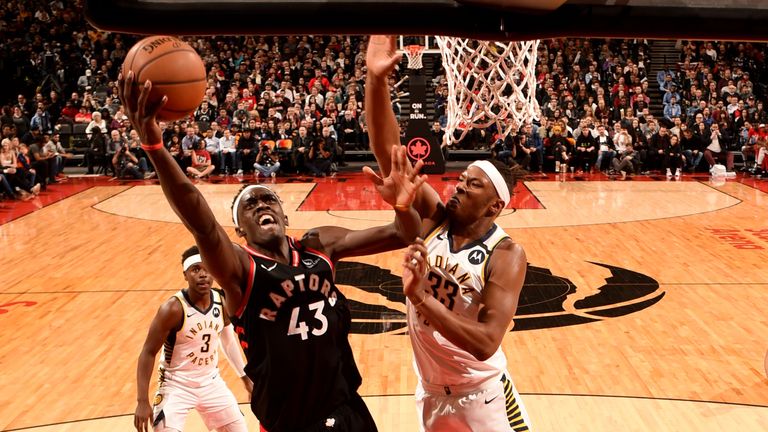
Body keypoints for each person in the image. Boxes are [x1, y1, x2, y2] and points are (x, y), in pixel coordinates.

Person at [120, 71, 427, 432]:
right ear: (239, 230)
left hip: (346, 410)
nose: (261, 205)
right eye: (249, 206)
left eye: (268, 199)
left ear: (283, 213)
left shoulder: (319, 245)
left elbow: (403, 234)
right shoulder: (240, 268)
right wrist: (155, 148)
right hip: (290, 421)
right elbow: (198, 217)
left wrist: (405, 208)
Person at [366, 35, 532, 432]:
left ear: (495, 206)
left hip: (485, 397)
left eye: (473, 185)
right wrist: (376, 82)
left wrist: (421, 297)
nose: (459, 186)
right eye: (461, 179)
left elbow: (486, 341)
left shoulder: (506, 253)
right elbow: (391, 154)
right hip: (430, 393)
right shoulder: (436, 217)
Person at [134, 246, 251, 432]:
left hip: (211, 382)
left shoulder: (222, 300)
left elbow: (228, 341)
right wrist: (142, 401)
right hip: (176, 384)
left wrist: (245, 378)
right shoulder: (172, 309)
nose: (203, 274)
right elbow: (148, 353)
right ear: (185, 275)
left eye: (206, 269)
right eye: (196, 269)